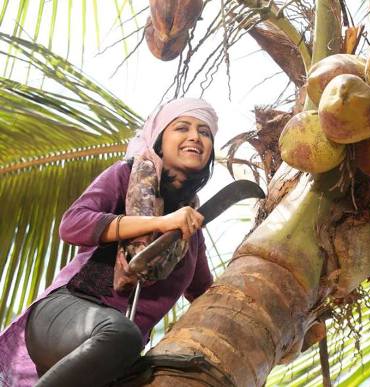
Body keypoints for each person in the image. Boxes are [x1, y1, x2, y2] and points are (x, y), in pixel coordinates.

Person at [0, 98, 219, 387]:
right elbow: (72, 224)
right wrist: (160, 223)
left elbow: (206, 293)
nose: (195, 136)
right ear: (159, 140)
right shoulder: (125, 176)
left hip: (114, 353)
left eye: (205, 132)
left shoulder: (191, 231)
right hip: (66, 313)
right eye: (182, 127)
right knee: (122, 334)